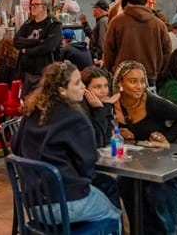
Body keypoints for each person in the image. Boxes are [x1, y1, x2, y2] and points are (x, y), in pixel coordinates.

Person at [12, 61, 122, 228]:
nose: (83, 87)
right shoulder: (75, 118)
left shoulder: (31, 112)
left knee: (105, 186)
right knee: (114, 214)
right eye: (77, 83)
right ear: (62, 90)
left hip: (33, 203)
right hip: (64, 203)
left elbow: (15, 147)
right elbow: (88, 165)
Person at [111, 61, 177, 234]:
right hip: (142, 158)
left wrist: (167, 137)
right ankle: (138, 229)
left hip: (172, 153)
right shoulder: (114, 105)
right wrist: (121, 133)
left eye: (142, 81)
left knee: (158, 190)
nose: (139, 86)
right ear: (120, 83)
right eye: (133, 81)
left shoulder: (152, 103)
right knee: (125, 184)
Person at [102, 0, 171, 86]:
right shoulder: (159, 24)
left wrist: (107, 69)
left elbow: (109, 49)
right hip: (150, 75)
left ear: (127, 4)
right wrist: (159, 71)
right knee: (147, 100)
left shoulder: (117, 22)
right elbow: (167, 51)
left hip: (123, 75)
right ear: (145, 4)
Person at [13, 0, 62, 97]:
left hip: (44, 72)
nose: (32, 7)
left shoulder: (53, 25)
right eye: (31, 5)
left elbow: (48, 47)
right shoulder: (28, 24)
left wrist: (27, 50)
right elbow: (16, 41)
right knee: (26, 103)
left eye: (36, 5)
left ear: (45, 7)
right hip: (26, 73)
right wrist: (37, 41)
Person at [80, 66, 118, 148]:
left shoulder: (103, 104)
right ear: (85, 90)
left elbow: (108, 139)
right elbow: (97, 142)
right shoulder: (82, 110)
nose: (104, 91)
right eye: (97, 87)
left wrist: (103, 107)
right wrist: (100, 110)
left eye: (105, 86)